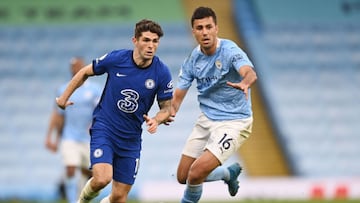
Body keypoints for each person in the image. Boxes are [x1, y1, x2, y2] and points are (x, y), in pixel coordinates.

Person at [55, 19, 173, 203]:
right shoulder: (117, 59)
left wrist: (156, 120)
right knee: (102, 178)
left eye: (155, 41)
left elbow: (167, 107)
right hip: (105, 129)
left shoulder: (162, 72)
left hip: (131, 139)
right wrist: (63, 98)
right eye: (146, 40)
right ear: (135, 41)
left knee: (119, 197)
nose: (151, 46)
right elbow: (85, 72)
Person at [168, 7, 257, 203]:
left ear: (216, 28)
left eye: (209, 27)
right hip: (207, 119)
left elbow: (249, 72)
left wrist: (245, 82)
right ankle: (227, 174)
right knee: (184, 176)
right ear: (194, 32)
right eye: (200, 28)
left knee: (196, 172)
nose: (205, 32)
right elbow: (177, 97)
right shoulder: (193, 59)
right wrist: (164, 115)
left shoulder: (230, 51)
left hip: (235, 121)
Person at [45, 57, 102, 203]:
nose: (75, 69)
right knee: (70, 168)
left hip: (89, 138)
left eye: (78, 66)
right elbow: (58, 116)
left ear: (84, 68)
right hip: (69, 137)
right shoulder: (63, 90)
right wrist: (51, 137)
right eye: (73, 67)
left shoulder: (94, 90)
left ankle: (84, 199)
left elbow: (101, 111)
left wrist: (95, 124)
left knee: (90, 173)